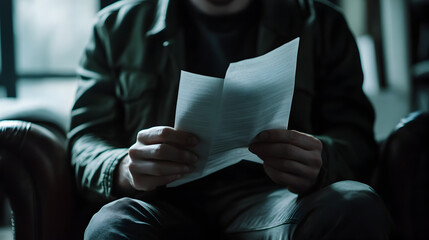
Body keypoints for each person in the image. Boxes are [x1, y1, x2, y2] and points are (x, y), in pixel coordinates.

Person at [69, 0, 392, 239]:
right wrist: (125, 168)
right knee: (111, 225)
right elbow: (86, 140)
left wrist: (319, 160)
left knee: (354, 203)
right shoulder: (115, 28)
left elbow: (357, 136)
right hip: (160, 203)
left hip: (279, 202)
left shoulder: (320, 24)